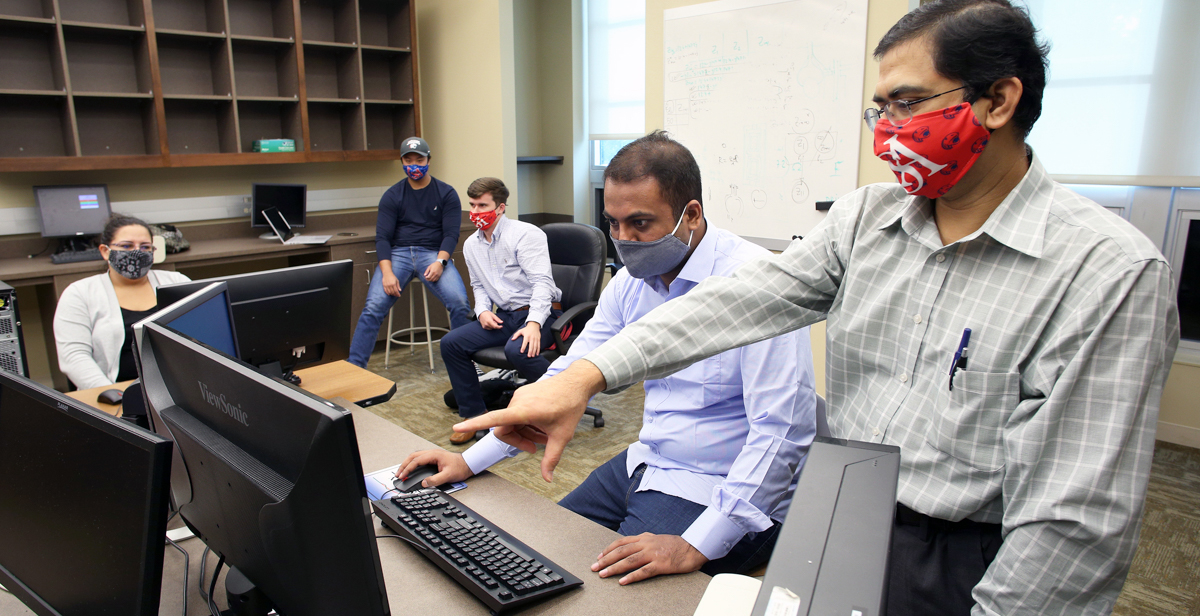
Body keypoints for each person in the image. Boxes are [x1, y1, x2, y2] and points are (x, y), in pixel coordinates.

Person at [457, 2, 1181, 614]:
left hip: (964, 553)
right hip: (838, 512)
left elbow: (1073, 528)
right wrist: (586, 377)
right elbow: (743, 302)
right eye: (879, 107)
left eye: (906, 103)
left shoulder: (1106, 272)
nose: (885, 129)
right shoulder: (869, 217)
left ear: (997, 100)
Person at [401, 132, 817, 584]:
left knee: (606, 596)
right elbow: (567, 375)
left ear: (691, 214)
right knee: (538, 557)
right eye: (613, 224)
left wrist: (698, 543)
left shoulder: (757, 284)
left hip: (720, 485)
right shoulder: (633, 282)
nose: (623, 240)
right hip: (647, 459)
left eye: (639, 223)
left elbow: (783, 432)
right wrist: (471, 461)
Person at [439, 177, 563, 444]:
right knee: (451, 343)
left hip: (540, 314)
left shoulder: (525, 234)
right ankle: (474, 416)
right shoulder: (471, 244)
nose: (475, 212)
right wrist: (482, 310)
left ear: (500, 207)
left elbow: (543, 284)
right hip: (504, 315)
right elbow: (478, 285)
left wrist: (533, 324)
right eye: (471, 205)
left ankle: (560, 406)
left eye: (482, 205)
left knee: (516, 350)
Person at [348, 136, 472, 367]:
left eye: (419, 159)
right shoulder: (393, 195)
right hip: (398, 255)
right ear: (402, 162)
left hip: (433, 254)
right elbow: (383, 238)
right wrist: (386, 273)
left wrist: (440, 262)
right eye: (408, 160)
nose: (414, 164)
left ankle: (465, 362)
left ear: (429, 160)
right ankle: (355, 367)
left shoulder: (446, 193)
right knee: (373, 308)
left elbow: (451, 235)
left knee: (460, 303)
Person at [54, 215, 190, 390]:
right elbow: (74, 357)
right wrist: (112, 394)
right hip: (113, 393)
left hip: (175, 387)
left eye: (145, 247)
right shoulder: (80, 293)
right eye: (126, 246)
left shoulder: (177, 282)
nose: (137, 252)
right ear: (105, 251)